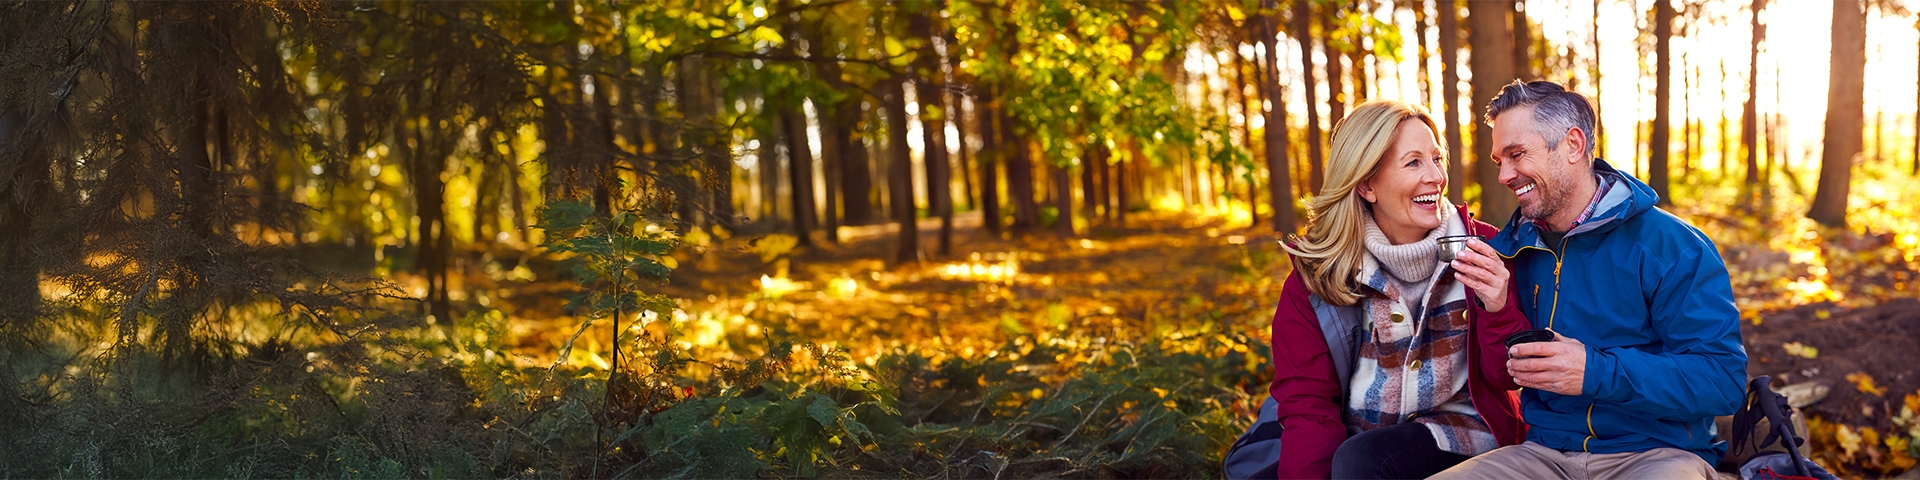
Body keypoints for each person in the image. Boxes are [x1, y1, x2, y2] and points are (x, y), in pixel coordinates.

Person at [1429, 80, 1748, 479]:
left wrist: (1595, 372)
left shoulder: (1671, 246)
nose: (1504, 175)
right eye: (1499, 161)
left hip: (1656, 455)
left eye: (1517, 155)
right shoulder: (1514, 248)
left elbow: (1721, 381)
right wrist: (1496, 307)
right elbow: (1501, 377)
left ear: (1573, 145)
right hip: (1543, 454)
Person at [1265, 100, 1531, 479]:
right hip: (1358, 436)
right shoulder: (1319, 275)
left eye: (1436, 159)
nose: (1435, 176)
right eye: (1413, 163)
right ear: (1366, 185)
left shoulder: (1486, 249)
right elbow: (1309, 404)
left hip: (1462, 436)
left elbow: (1507, 378)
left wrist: (1497, 307)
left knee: (1363, 460)